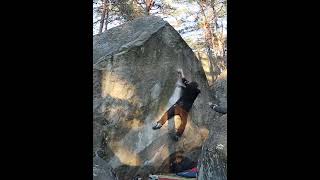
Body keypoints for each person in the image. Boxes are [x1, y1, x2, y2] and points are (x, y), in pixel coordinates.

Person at [152, 69, 201, 141]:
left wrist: (181, 72)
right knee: (183, 123)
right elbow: (199, 90)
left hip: (178, 106)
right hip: (185, 110)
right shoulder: (197, 92)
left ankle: (159, 124)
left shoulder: (188, 86)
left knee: (168, 114)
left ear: (191, 85)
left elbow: (184, 79)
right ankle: (178, 135)